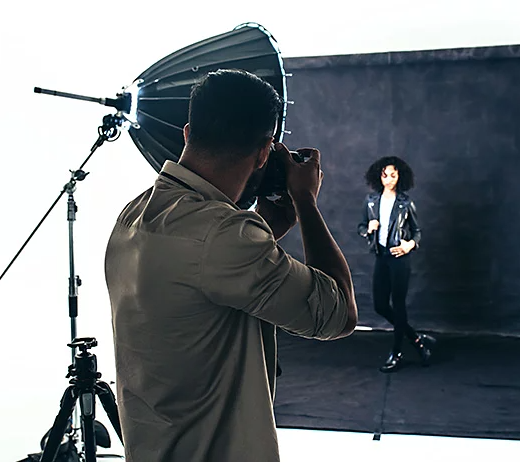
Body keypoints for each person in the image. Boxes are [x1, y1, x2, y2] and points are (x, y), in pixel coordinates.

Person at [104, 69, 357, 462]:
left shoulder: (134, 215)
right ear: (263, 152)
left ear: (188, 133)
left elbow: (196, 284)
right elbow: (337, 313)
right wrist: (306, 201)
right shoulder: (225, 236)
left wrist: (269, 229)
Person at [357, 156, 434, 373]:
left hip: (400, 258)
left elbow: (417, 232)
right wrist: (369, 228)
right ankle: (417, 340)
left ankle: (397, 353)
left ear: (400, 176)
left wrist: (410, 245)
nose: (389, 179)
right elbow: (361, 227)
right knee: (380, 305)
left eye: (393, 175)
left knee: (398, 306)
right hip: (381, 257)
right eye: (384, 175)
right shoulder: (371, 201)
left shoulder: (405, 203)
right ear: (378, 177)